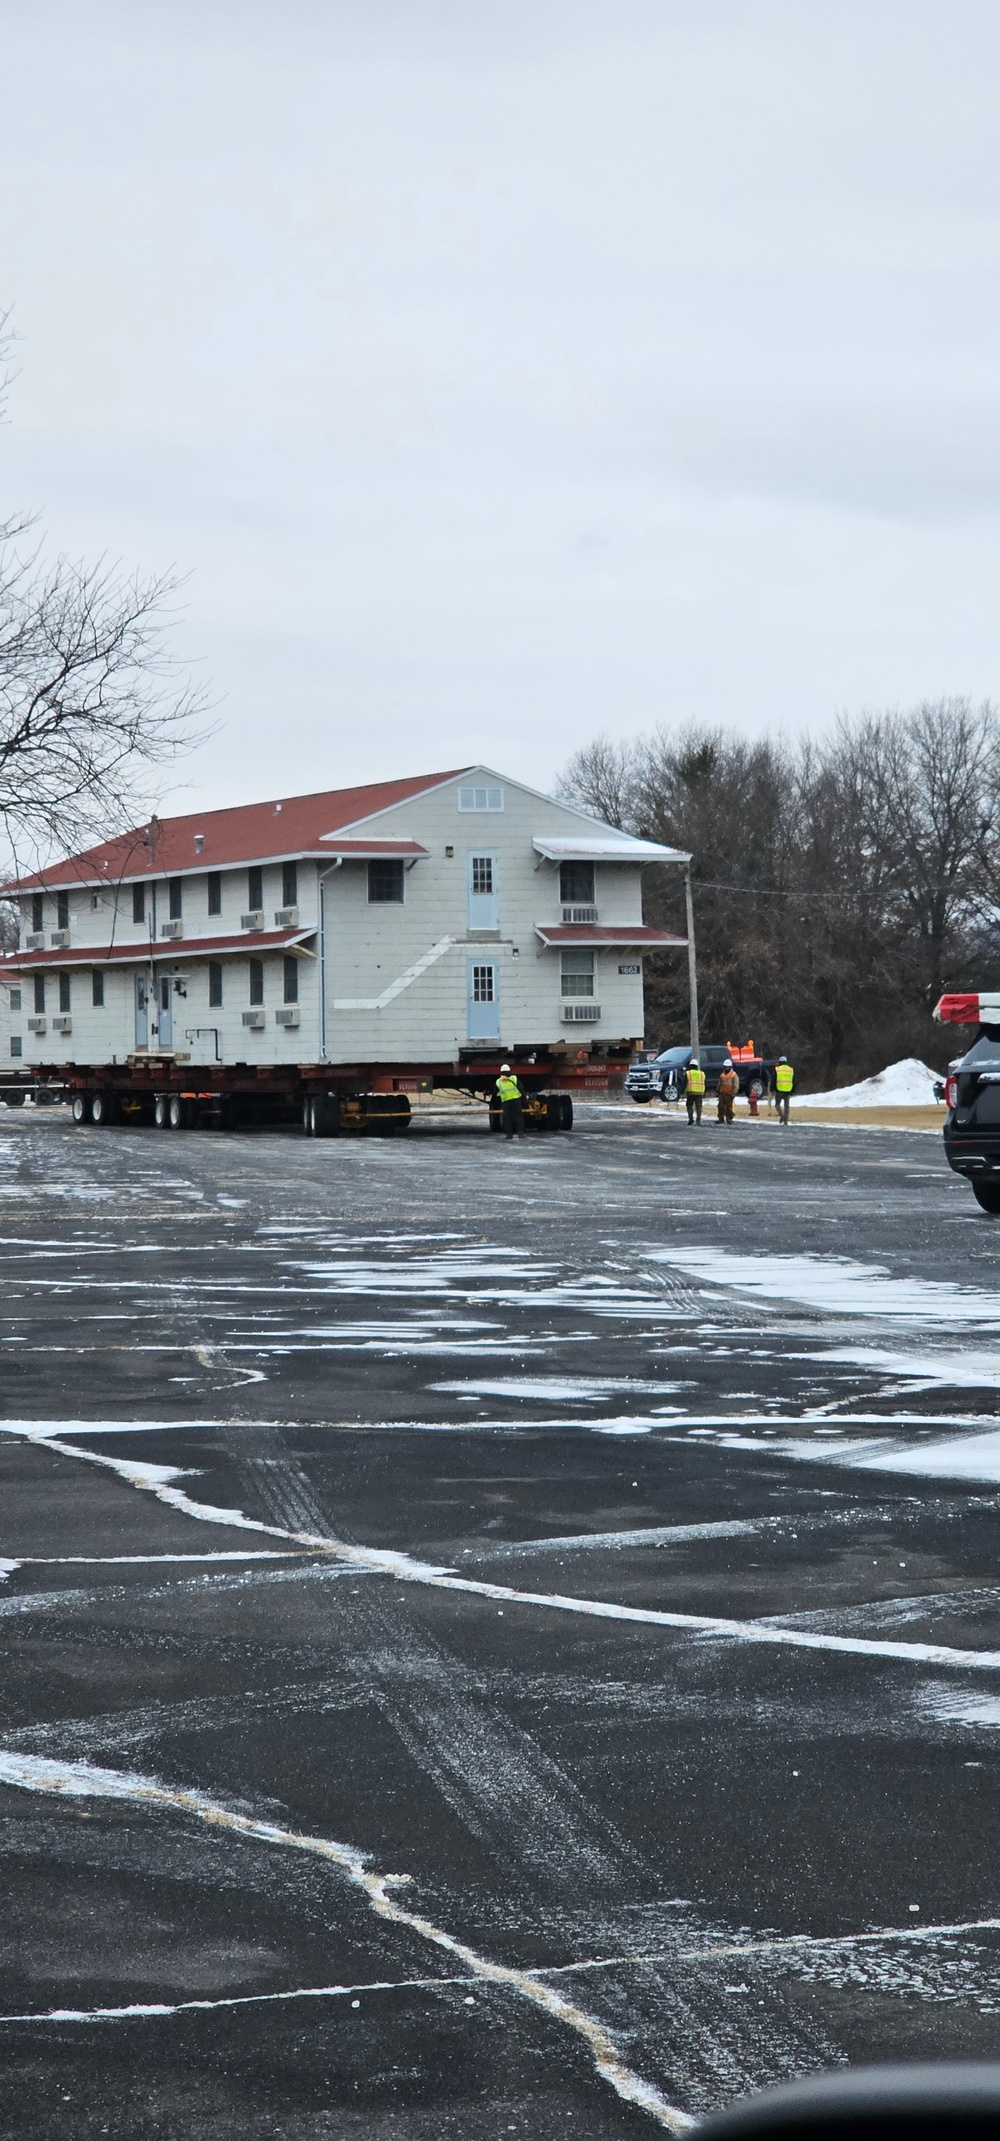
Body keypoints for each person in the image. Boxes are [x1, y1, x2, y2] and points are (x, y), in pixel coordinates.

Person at [495, 1062, 523, 1139]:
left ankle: (509, 1134)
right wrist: (524, 1100)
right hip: (516, 1100)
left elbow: (495, 1092)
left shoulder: (498, 1081)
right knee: (518, 1117)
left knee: (507, 1118)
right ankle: (520, 1133)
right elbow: (521, 1089)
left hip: (506, 1102)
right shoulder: (514, 1078)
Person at [716, 1057, 738, 1125]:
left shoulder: (733, 1075)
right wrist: (717, 1091)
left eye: (727, 1067)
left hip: (729, 1093)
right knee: (720, 1106)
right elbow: (719, 1083)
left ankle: (729, 1119)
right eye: (725, 1067)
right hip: (722, 1093)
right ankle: (721, 1118)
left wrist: (734, 1093)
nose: (726, 1068)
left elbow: (736, 1085)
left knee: (729, 1107)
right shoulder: (722, 1075)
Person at [774, 1054, 794, 1124]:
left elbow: (774, 1079)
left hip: (779, 1089)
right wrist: (792, 1091)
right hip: (788, 1090)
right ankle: (786, 1120)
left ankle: (782, 1115)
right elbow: (793, 1080)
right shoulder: (791, 1070)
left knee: (777, 1104)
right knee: (787, 1106)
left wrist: (772, 1088)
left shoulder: (777, 1069)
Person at [685, 1055, 705, 1124]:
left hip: (690, 1092)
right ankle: (698, 1119)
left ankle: (691, 1118)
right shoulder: (702, 1074)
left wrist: (681, 1091)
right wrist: (705, 1091)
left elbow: (684, 1082)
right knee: (698, 1107)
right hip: (699, 1093)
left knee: (689, 1105)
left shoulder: (688, 1073)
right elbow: (705, 1083)